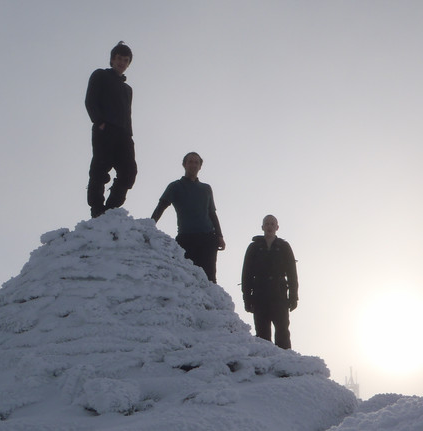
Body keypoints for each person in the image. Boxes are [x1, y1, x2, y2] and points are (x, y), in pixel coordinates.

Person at [151, 152, 226, 283]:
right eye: (190, 162)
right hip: (186, 238)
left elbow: (212, 213)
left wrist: (220, 235)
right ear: (184, 165)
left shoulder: (206, 188)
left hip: (207, 238)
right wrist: (150, 226)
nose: (193, 165)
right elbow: (161, 206)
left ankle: (208, 304)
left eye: (196, 162)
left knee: (209, 279)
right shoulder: (175, 186)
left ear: (200, 166)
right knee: (186, 278)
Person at [85, 41, 138, 218]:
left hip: (124, 133)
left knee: (129, 170)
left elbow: (127, 113)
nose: (122, 63)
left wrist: (129, 134)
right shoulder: (100, 75)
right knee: (100, 168)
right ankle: (97, 209)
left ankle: (112, 209)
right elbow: (90, 100)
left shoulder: (127, 89)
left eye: (126, 60)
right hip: (105, 129)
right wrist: (99, 122)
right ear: (112, 60)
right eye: (119, 59)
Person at [241, 215, 298, 349]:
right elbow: (246, 274)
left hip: (279, 295)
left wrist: (294, 296)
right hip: (259, 295)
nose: (269, 226)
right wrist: (247, 298)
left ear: (277, 227)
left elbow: (292, 274)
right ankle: (264, 364)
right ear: (262, 227)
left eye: (272, 224)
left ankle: (285, 363)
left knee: (283, 333)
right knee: (262, 334)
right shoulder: (254, 247)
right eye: (267, 224)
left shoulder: (284, 246)